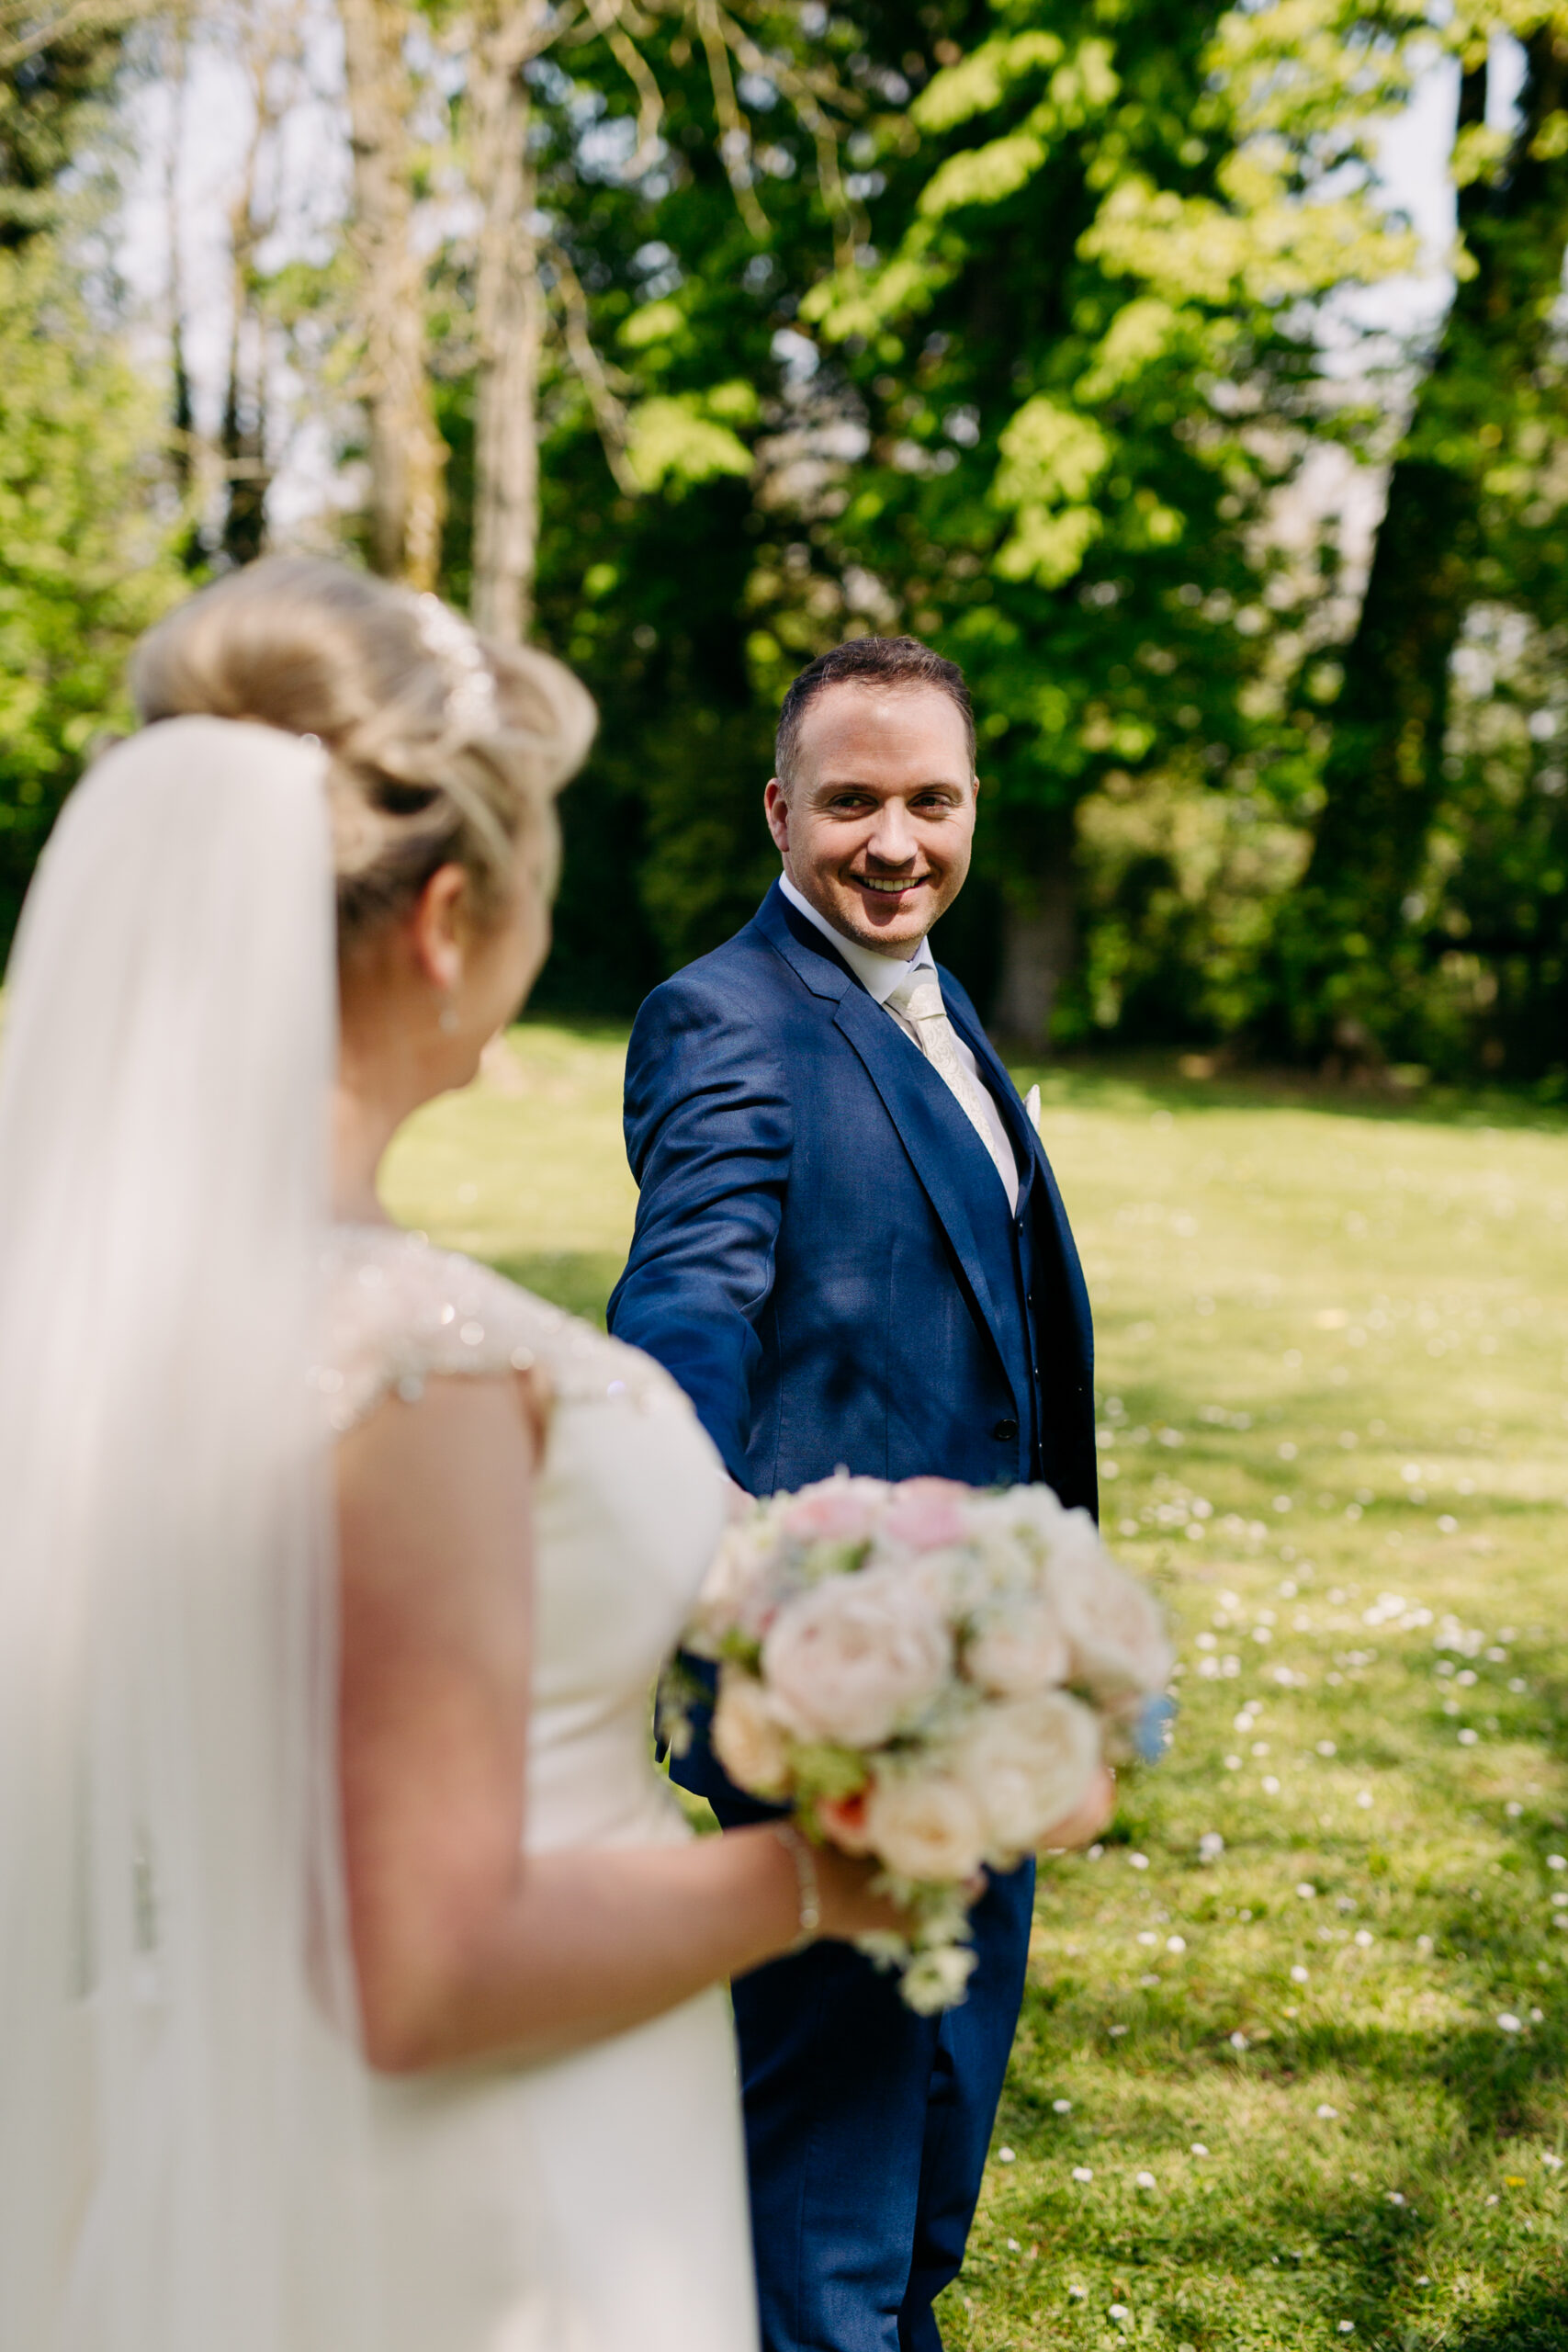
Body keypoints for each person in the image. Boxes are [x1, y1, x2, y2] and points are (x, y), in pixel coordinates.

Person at [0, 556, 917, 2352]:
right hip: (490, 2190)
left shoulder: (159, 1307)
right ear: (439, 922)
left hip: (244, 2101)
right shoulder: (410, 1360)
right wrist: (838, 1868)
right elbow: (420, 1964)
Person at [607, 635, 1103, 2352]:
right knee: (824, 2195)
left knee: (936, 2159)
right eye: (852, 802)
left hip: (995, 1676)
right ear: (778, 809)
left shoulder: (941, 997)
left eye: (932, 800)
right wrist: (727, 1574)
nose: (895, 842)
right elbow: (689, 1304)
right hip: (830, 1698)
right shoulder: (725, 1018)